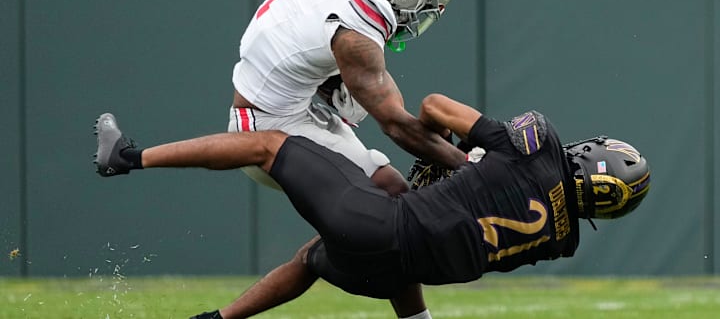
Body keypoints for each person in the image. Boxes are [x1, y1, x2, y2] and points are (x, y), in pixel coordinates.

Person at [93, 93, 651, 319]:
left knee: (271, 144)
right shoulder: (561, 240)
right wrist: (471, 176)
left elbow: (433, 105)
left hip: (382, 228)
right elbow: (471, 214)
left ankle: (127, 157)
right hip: (386, 271)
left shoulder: (537, 144)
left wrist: (444, 151)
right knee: (316, 258)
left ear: (588, 159)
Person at [224, 0, 463, 318]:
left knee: (385, 206)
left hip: (288, 105)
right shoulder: (359, 23)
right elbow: (395, 123)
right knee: (392, 204)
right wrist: (470, 165)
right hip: (270, 127)